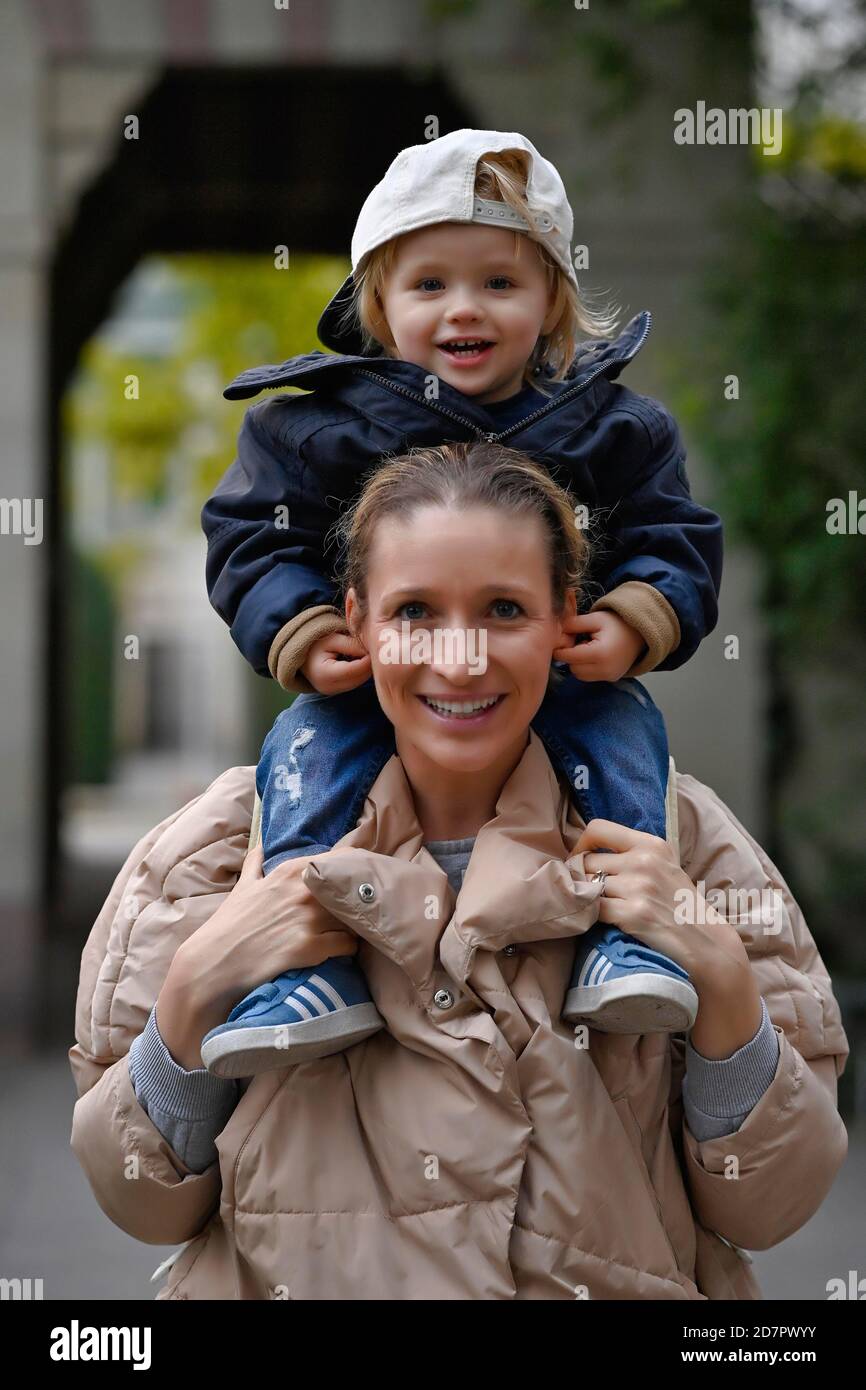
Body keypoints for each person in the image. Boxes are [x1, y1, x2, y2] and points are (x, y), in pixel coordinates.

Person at [70, 444, 848, 1301]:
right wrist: (195, 987)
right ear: (355, 621)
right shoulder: (212, 855)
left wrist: (722, 980)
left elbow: (770, 1208)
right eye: (415, 611)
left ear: (566, 619)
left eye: (505, 608)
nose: (463, 658)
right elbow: (141, 1203)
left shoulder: (687, 843)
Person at [198, 129, 724, 1076]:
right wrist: (304, 627)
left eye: (499, 283)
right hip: (377, 684)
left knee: (627, 742)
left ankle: (627, 934)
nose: (463, 310)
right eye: (430, 284)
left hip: (559, 676)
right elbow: (251, 537)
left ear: (554, 303)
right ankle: (305, 962)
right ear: (379, 303)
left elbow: (674, 534)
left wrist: (642, 613)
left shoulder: (616, 429)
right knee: (305, 757)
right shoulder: (315, 427)